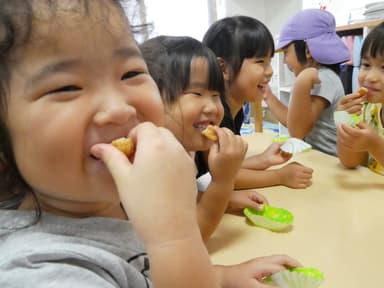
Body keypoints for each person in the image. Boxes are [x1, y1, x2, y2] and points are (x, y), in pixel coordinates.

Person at [0, 1, 301, 287]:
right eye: (66, 87)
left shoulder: (110, 200)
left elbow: (143, 271)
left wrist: (219, 277)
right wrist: (173, 235)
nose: (120, 108)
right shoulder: (41, 272)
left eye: (130, 73)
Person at [140, 35, 267, 241]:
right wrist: (223, 183)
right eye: (196, 93)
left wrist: (226, 200)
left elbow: (181, 201)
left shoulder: (180, 148)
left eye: (216, 95)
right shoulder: (153, 161)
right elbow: (190, 237)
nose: (213, 107)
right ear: (150, 101)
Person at [203, 15, 313, 190]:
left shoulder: (235, 110)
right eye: (260, 61)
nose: (269, 71)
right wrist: (279, 176)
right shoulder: (213, 113)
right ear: (223, 68)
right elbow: (224, 177)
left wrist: (264, 160)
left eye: (269, 61)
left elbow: (226, 168)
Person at [263, 9, 350, 156]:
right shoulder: (315, 77)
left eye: (286, 53)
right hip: (315, 156)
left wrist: (300, 85)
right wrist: (268, 95)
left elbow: (297, 130)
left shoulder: (324, 79)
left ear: (308, 50)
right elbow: (293, 121)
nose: (285, 61)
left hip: (329, 160)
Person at [337, 22, 384, 175]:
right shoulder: (369, 108)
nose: (370, 77)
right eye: (366, 64)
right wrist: (345, 121)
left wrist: (375, 145)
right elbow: (350, 162)